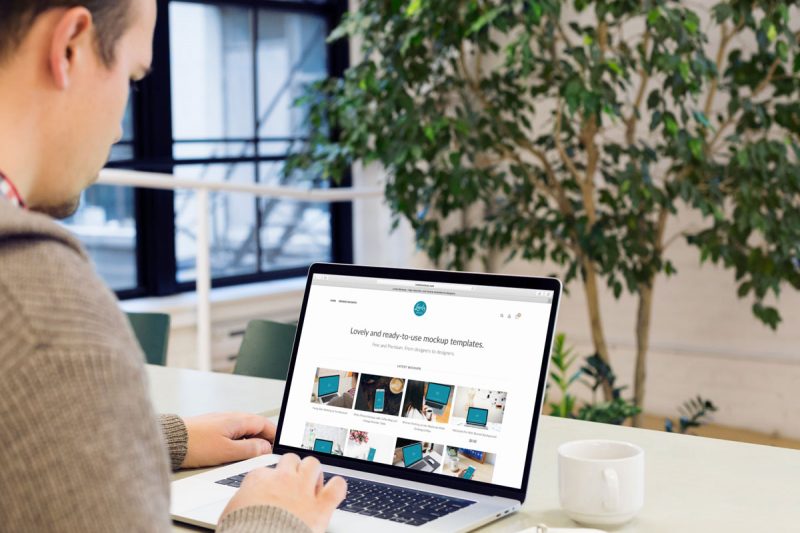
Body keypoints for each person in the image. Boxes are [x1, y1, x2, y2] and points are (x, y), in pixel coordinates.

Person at [0, 1, 346, 531]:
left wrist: (158, 436)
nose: (119, 128)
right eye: (133, 78)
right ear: (69, 46)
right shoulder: (40, 307)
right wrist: (272, 518)